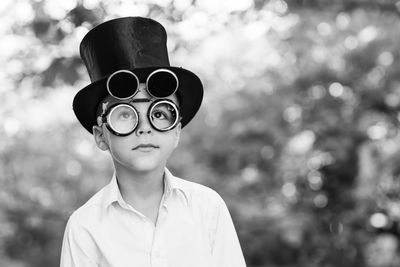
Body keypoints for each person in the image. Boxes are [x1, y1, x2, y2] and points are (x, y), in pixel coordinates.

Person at [60, 16, 246, 267]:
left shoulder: (207, 207)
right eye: (125, 115)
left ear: (177, 131)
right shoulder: (85, 226)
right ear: (100, 135)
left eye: (159, 113)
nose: (145, 128)